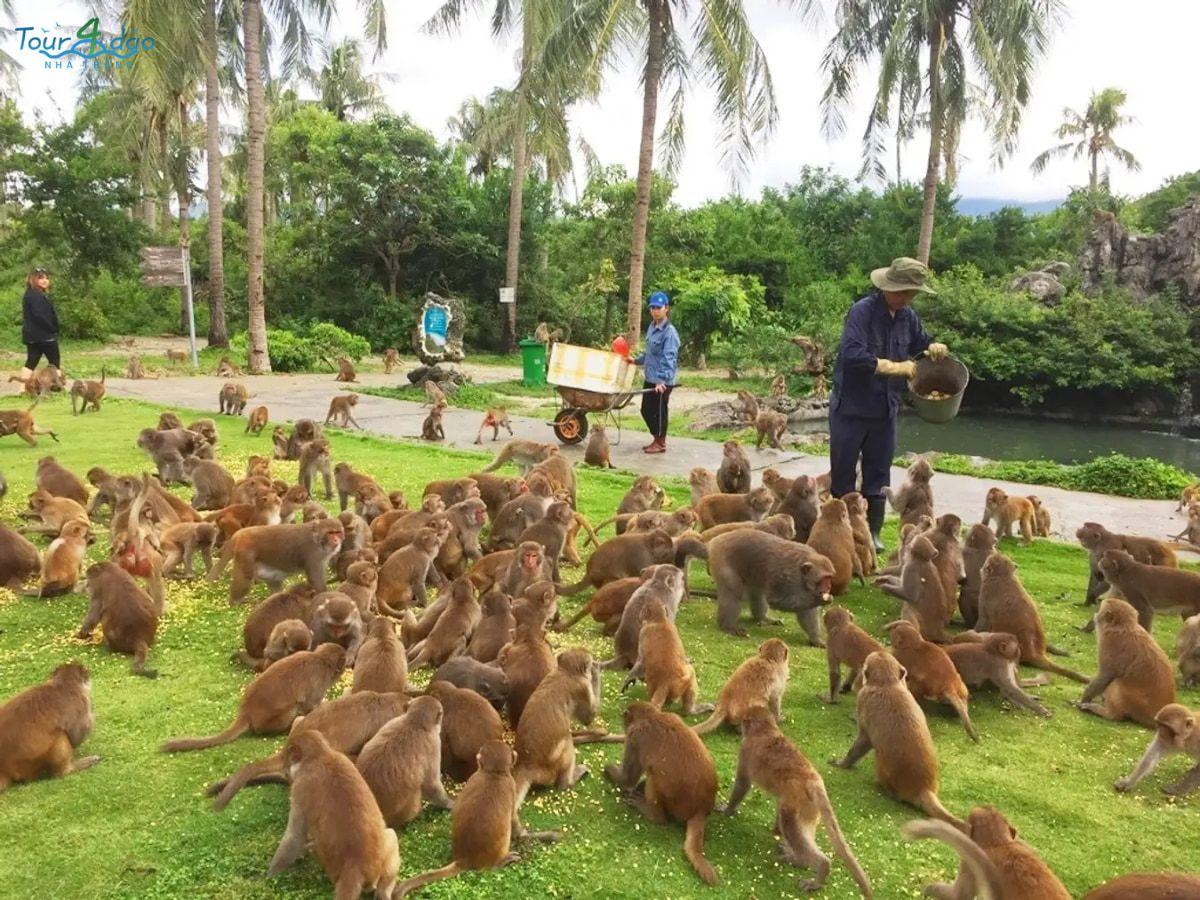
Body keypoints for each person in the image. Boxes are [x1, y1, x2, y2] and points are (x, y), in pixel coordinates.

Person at [828, 257, 949, 551]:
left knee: (879, 473)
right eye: (904, 292)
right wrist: (892, 367)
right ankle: (840, 533)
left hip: (885, 408)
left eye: (911, 294)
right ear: (888, 288)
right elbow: (852, 355)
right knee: (843, 474)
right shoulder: (862, 312)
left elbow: (921, 342)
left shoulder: (908, 316)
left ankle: (874, 533)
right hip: (851, 408)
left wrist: (933, 347)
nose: (908, 299)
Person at [633, 291, 679, 454]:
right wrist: (636, 360)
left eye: (658, 307)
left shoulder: (669, 332)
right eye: (652, 307)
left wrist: (662, 380)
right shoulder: (652, 327)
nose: (655, 310)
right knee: (646, 410)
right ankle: (656, 438)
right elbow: (650, 353)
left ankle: (660, 442)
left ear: (666, 308)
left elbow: (669, 358)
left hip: (663, 380)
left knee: (659, 412)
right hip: (651, 377)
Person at [19, 266, 61, 381]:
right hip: (45, 335)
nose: (45, 280)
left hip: (32, 336)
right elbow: (39, 315)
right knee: (54, 362)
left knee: (31, 361)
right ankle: (56, 387)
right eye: (41, 278)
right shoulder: (35, 295)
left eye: (47, 278)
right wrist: (52, 328)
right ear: (33, 279)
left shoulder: (30, 294)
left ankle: (23, 388)